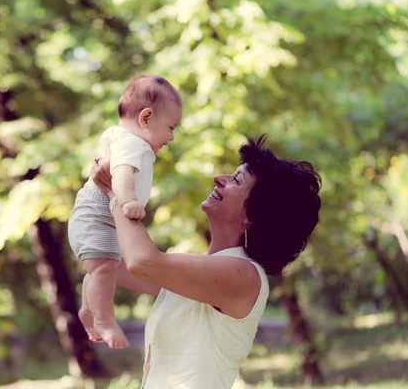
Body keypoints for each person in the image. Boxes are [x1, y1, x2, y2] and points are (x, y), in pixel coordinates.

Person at [92, 135, 322, 388]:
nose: (219, 179)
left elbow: (141, 262)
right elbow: (104, 264)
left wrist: (118, 193)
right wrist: (108, 180)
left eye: (236, 180)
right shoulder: (202, 271)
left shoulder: (243, 275)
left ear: (252, 214)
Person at [68, 74, 183, 349]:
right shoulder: (132, 143)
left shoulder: (121, 138)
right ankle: (105, 322)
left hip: (96, 218)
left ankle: (89, 310)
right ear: (146, 117)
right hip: (96, 216)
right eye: (170, 127)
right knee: (104, 271)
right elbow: (119, 174)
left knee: (100, 270)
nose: (171, 136)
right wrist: (128, 200)